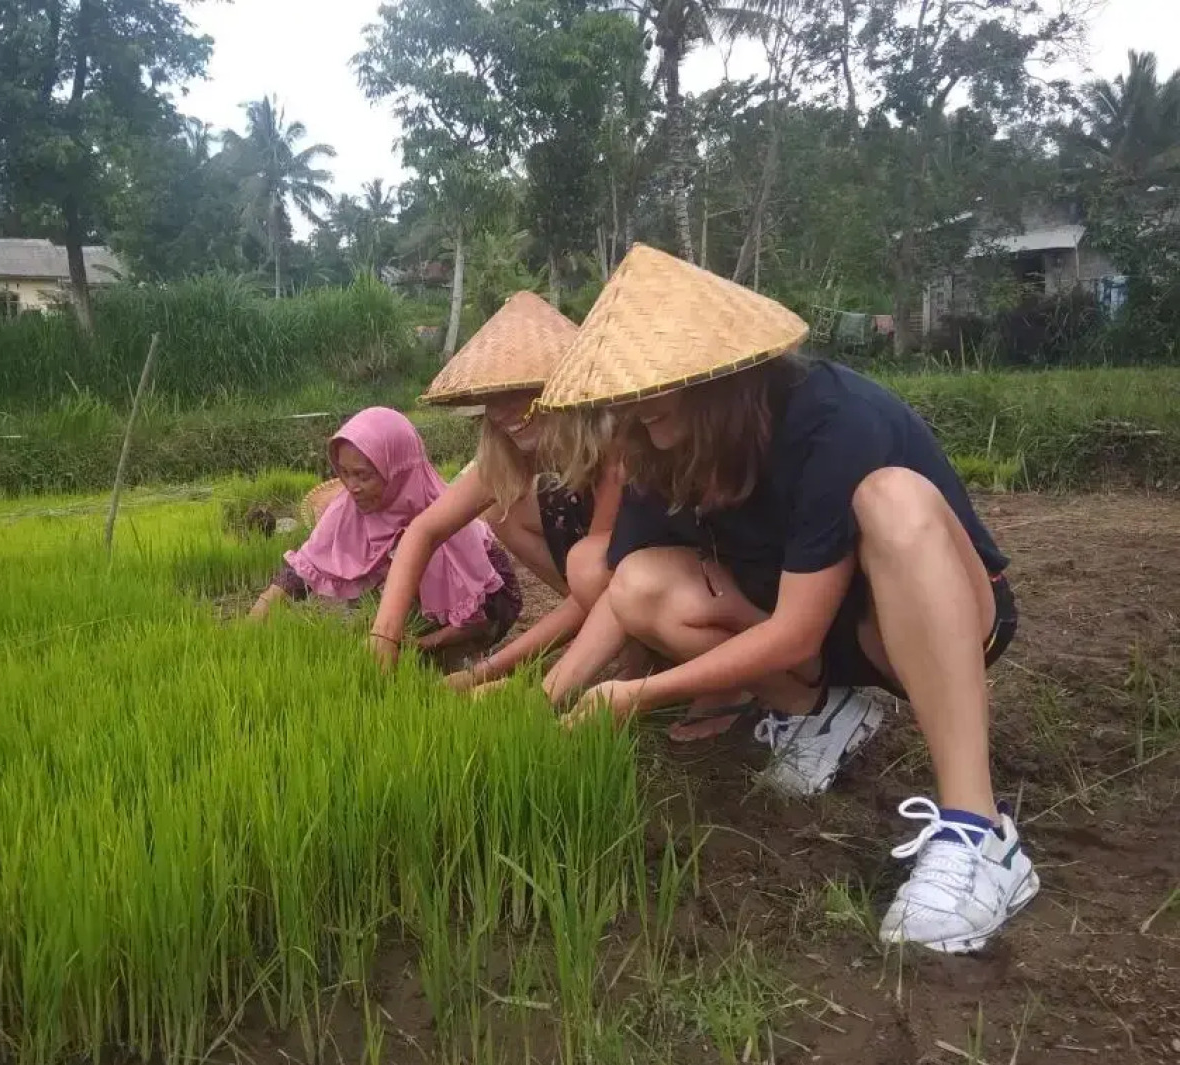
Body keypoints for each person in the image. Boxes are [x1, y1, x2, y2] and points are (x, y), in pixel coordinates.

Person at [535, 245, 1035, 955]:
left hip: (927, 624)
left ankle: (978, 831)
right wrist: (548, 697)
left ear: (713, 374)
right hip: (817, 631)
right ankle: (820, 714)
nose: (636, 405)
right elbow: (622, 597)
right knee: (643, 579)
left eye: (654, 383)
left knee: (891, 498)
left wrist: (634, 697)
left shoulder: (834, 418)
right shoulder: (659, 445)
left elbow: (797, 633)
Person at [368, 292, 623, 685]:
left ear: (561, 390)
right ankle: (601, 629)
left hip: (652, 571)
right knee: (503, 507)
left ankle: (625, 639)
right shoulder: (509, 454)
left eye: (521, 393)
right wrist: (383, 636)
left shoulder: (615, 452)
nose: (504, 412)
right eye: (492, 398)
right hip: (594, 570)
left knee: (594, 575)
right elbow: (424, 530)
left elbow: (598, 578)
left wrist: (487, 671)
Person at [250, 406, 521, 652]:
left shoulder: (447, 518)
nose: (351, 486)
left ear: (397, 471)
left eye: (363, 475)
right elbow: (305, 568)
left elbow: (487, 614)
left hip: (476, 620)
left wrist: (421, 644)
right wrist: (258, 613)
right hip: (404, 618)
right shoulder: (349, 510)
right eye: (344, 473)